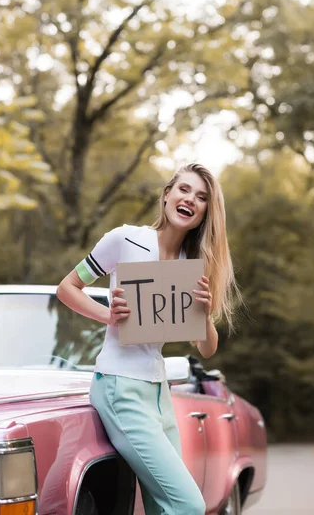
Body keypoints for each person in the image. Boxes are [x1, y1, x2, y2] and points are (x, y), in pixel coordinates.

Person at [56, 162, 240, 515]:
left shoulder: (193, 263)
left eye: (201, 197)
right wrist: (106, 314)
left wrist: (203, 316)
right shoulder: (124, 239)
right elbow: (68, 288)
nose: (190, 199)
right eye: (184, 189)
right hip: (119, 387)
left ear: (205, 213)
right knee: (187, 505)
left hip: (160, 393)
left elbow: (207, 348)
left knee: (162, 507)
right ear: (167, 194)